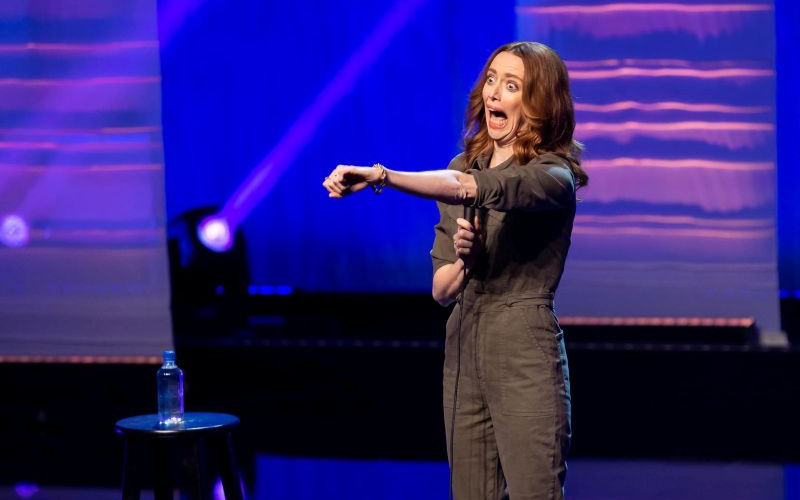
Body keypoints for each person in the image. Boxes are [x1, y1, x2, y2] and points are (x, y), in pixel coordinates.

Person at [322, 41, 587, 500]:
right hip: (464, 343)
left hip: (523, 345)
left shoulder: (552, 174)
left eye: (512, 85)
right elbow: (441, 291)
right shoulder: (463, 165)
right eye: (491, 80)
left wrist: (381, 176)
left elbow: (470, 189)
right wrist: (467, 260)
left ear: (539, 103)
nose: (494, 94)